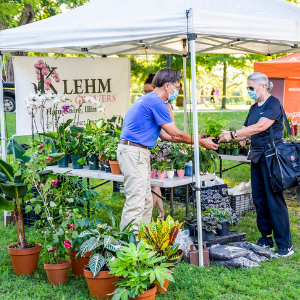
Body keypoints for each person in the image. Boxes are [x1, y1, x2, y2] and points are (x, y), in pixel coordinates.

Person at [117, 68, 218, 232]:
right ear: (167, 86)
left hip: (135, 151)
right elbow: (175, 134)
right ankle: (128, 244)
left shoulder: (150, 99)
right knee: (136, 200)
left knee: (146, 199)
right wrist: (200, 142)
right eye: (177, 87)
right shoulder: (157, 102)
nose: (178, 91)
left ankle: (142, 237)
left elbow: (164, 135)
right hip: (134, 152)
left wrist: (195, 138)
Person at [219, 72, 293, 257]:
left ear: (262, 86)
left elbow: (260, 126)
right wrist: (226, 135)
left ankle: (285, 245)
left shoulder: (273, 103)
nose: (249, 91)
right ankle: (265, 238)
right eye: (247, 88)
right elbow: (245, 132)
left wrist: (234, 133)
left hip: (271, 158)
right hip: (257, 157)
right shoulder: (254, 108)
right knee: (259, 199)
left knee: (274, 200)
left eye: (251, 87)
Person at [143, 73, 171, 220]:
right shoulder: (147, 103)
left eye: (149, 91)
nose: (147, 94)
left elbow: (170, 129)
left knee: (154, 183)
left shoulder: (163, 104)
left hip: (160, 147)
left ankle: (150, 215)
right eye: (145, 91)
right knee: (154, 183)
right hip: (151, 146)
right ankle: (161, 213)